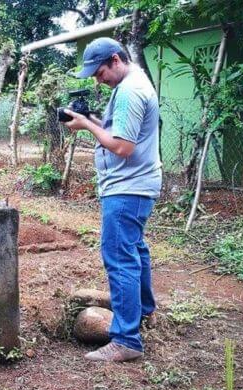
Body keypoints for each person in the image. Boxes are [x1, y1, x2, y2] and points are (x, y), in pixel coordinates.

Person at [62, 37, 162, 362]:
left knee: (120, 258)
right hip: (136, 185)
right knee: (135, 250)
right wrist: (92, 118)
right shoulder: (131, 82)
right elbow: (121, 131)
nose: (97, 79)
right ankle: (143, 311)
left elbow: (122, 146)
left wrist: (87, 125)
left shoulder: (130, 91)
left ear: (116, 60)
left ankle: (126, 340)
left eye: (100, 71)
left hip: (127, 187)